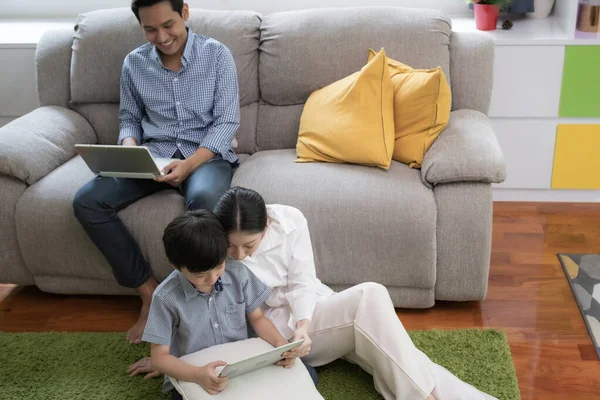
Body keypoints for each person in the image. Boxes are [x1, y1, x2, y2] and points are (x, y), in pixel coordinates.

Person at [131, 187, 497, 399]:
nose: (240, 255)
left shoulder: (289, 221)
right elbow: (200, 304)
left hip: (303, 317)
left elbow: (305, 282)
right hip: (267, 330)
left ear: (267, 225)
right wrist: (176, 362)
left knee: (373, 303)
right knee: (376, 339)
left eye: (250, 245)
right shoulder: (207, 251)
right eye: (231, 248)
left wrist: (303, 326)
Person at [72, 0, 240, 344]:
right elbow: (129, 119)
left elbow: (226, 121)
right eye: (150, 29)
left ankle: (191, 304)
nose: (161, 37)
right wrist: (131, 148)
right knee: (87, 201)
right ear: (140, 26)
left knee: (205, 201)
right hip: (153, 156)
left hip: (205, 155)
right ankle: (149, 292)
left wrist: (190, 165)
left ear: (185, 13)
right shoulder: (134, 63)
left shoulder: (217, 55)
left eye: (169, 25)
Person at [144, 209, 303, 399]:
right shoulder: (165, 297)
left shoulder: (239, 273)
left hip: (241, 363)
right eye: (200, 274)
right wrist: (196, 374)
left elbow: (258, 319)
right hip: (196, 371)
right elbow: (159, 358)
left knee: (306, 376)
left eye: (219, 267)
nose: (212, 279)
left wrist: (280, 345)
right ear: (175, 265)